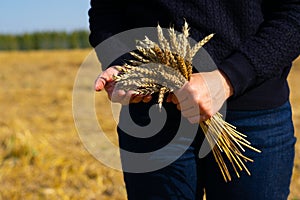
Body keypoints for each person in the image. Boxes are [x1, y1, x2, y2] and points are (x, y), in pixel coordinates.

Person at [88, 1, 300, 199]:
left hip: (253, 114)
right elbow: (107, 10)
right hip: (152, 116)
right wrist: (124, 63)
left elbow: (294, 12)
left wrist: (228, 79)